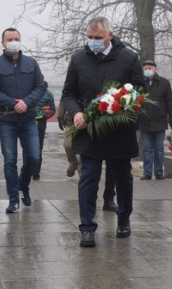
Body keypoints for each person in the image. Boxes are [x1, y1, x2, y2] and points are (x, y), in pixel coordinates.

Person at [61, 16, 143, 248]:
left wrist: (121, 104)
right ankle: (87, 227)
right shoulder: (78, 59)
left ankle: (124, 218)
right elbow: (69, 93)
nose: (93, 42)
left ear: (110, 35)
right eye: (89, 38)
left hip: (119, 130)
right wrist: (76, 112)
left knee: (123, 178)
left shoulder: (129, 58)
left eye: (97, 38)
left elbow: (139, 91)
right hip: (89, 130)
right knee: (88, 178)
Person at [0, 28, 48, 213]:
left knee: (34, 157)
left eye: (16, 38)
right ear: (3, 42)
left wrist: (27, 102)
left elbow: (40, 86)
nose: (13, 41)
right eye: (10, 39)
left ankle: (23, 186)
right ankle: (13, 198)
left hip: (28, 119)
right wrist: (13, 104)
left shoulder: (31, 63)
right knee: (10, 160)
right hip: (7, 120)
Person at [137, 60, 172, 180]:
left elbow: (170, 102)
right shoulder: (140, 83)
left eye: (150, 68)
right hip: (144, 121)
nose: (147, 70)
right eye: (145, 68)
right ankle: (147, 172)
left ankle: (159, 172)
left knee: (159, 148)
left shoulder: (164, 83)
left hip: (159, 120)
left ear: (155, 69)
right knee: (147, 148)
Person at [33, 88, 56, 180]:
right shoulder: (27, 90)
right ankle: (27, 170)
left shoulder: (47, 93)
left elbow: (52, 109)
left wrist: (43, 115)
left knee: (38, 149)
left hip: (40, 124)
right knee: (27, 149)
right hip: (27, 123)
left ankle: (36, 173)